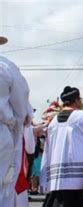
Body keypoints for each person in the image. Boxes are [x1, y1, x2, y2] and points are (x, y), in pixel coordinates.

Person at [41, 86, 83, 207]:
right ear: (77, 100)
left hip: (57, 180)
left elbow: (47, 149)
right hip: (78, 181)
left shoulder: (53, 122)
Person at [0, 35, 33, 205]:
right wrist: (17, 127)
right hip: (2, 132)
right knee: (3, 186)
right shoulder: (6, 66)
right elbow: (21, 103)